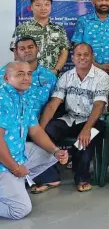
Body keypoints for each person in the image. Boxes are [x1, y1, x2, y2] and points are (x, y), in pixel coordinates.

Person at [33, 43, 109, 193]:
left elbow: (99, 105)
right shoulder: (66, 77)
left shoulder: (102, 77)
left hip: (93, 120)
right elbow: (53, 104)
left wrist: (87, 129)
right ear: (73, 58)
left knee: (85, 141)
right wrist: (40, 130)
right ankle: (51, 177)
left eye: (86, 54)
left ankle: (82, 178)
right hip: (70, 118)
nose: (82, 58)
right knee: (47, 132)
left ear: (92, 57)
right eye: (78, 55)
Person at [0, 62, 68, 220]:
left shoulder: (24, 97)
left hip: (16, 153)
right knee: (20, 210)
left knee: (51, 154)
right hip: (4, 161)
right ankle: (11, 183)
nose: (26, 78)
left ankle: (12, 185)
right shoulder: (3, 100)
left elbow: (35, 130)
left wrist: (56, 150)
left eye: (29, 73)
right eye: (20, 74)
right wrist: (16, 168)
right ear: (6, 78)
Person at [10, 0, 69, 73]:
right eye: (38, 5)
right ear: (31, 7)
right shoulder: (21, 28)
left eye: (46, 4)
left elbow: (64, 51)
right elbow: (16, 53)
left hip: (52, 76)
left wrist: (56, 71)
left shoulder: (59, 29)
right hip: (29, 77)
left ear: (51, 6)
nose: (43, 8)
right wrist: (25, 72)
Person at [0, 37, 57, 117]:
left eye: (30, 47)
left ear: (37, 49)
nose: (27, 51)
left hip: (39, 123)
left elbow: (53, 104)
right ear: (16, 52)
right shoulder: (3, 73)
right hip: (8, 122)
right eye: (22, 49)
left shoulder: (49, 76)